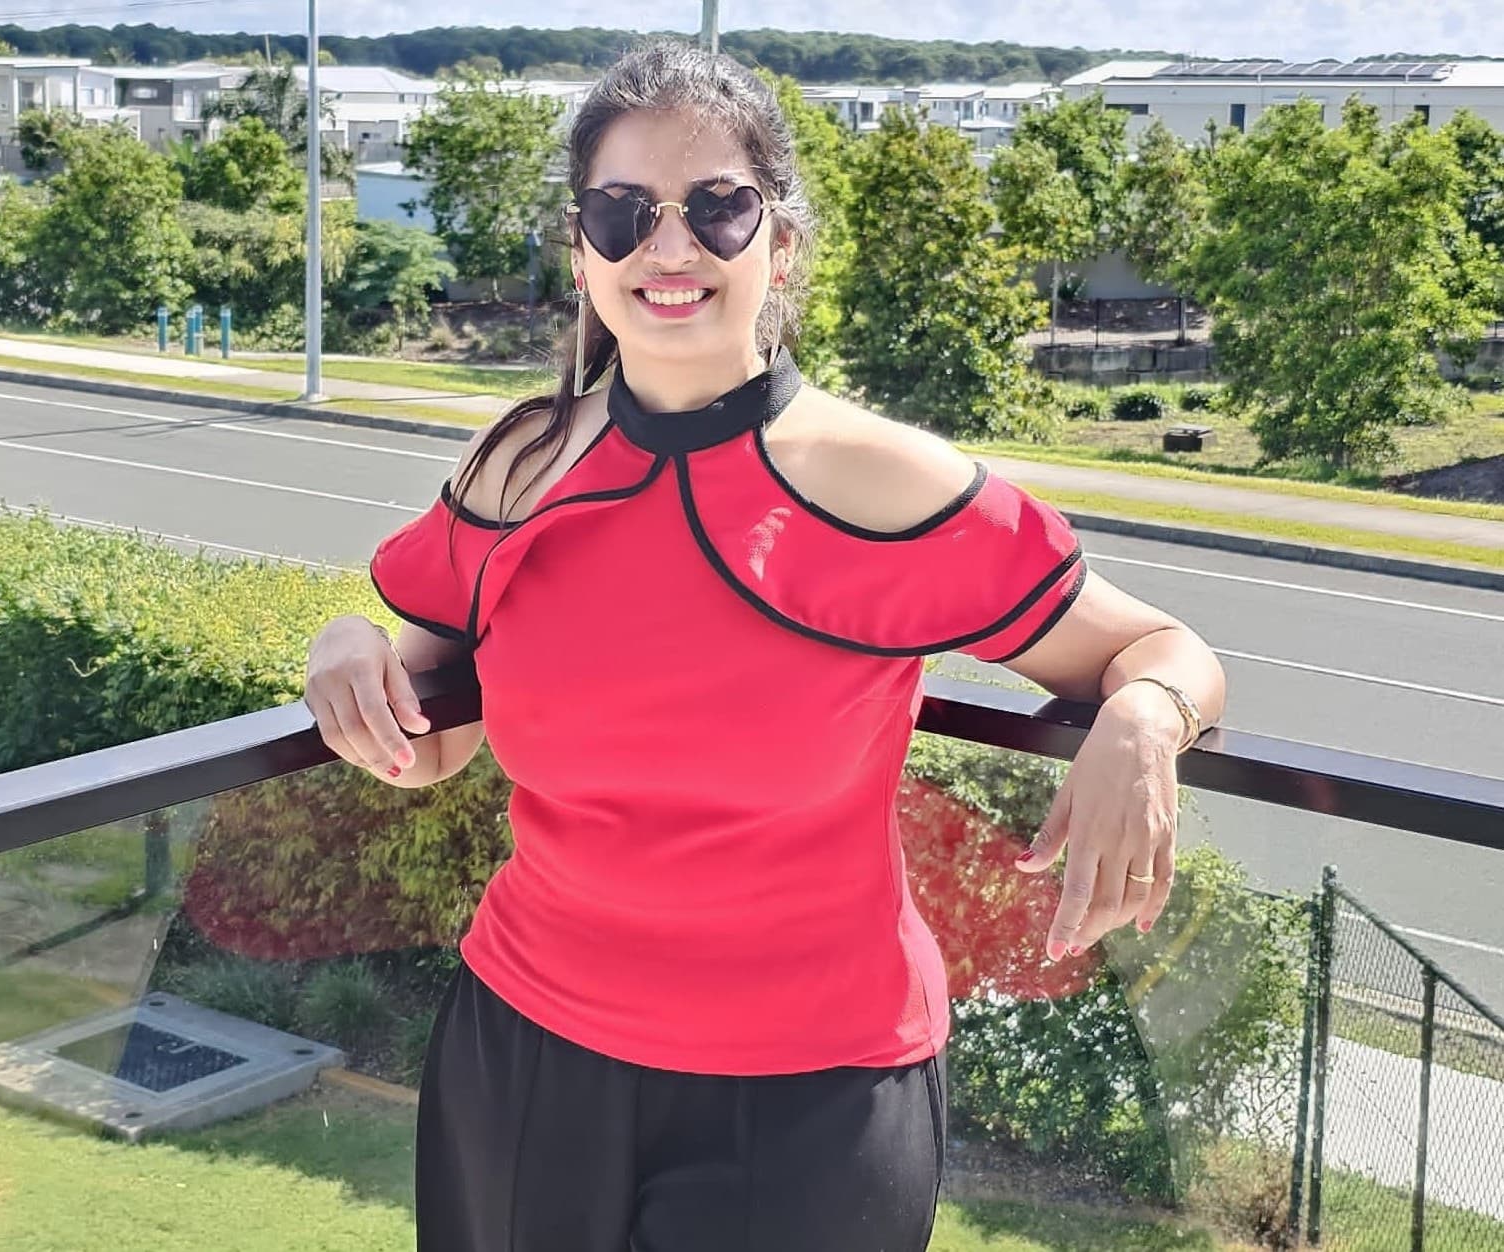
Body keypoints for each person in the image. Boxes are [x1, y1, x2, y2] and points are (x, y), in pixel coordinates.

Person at [305, 38, 1226, 1252]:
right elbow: (424, 735)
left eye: (715, 208)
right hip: (524, 1055)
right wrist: (346, 642)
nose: (668, 248)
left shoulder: (886, 482)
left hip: (812, 1098)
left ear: (778, 243)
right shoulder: (518, 465)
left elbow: (1161, 647)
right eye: (623, 212)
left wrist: (1145, 717)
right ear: (581, 250)